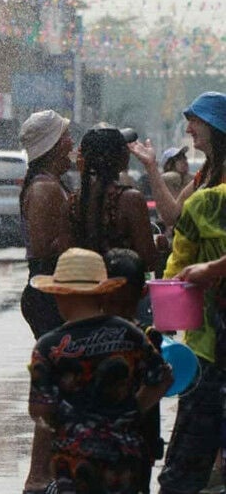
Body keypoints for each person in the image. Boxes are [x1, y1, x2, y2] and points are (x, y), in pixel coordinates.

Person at [28, 247, 172, 494]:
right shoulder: (132, 334)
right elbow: (163, 377)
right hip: (125, 458)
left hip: (73, 461)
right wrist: (132, 410)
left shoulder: (48, 346)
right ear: (102, 294)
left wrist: (65, 423)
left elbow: (39, 409)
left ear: (58, 295)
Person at [17, 110, 75, 494]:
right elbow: (42, 247)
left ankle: (48, 472)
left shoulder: (52, 183)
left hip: (53, 292)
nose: (72, 144)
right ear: (53, 145)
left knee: (61, 383)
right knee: (55, 386)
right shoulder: (44, 189)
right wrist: (71, 238)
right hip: (47, 293)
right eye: (67, 138)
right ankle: (38, 476)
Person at [157, 182, 226, 494]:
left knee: (185, 468)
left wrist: (209, 269)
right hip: (210, 347)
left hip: (209, 351)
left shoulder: (204, 203)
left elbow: (178, 266)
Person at [103, 248, 162, 494]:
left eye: (126, 305)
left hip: (139, 441)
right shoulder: (92, 338)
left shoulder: (148, 338)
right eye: (111, 303)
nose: (118, 311)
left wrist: (153, 443)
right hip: (100, 441)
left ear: (143, 294)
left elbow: (157, 388)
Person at [130, 91, 226, 228]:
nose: (188, 129)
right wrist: (151, 166)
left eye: (194, 121)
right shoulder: (205, 173)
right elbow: (173, 217)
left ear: (214, 125)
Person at [71, 122, 158, 273]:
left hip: (82, 284)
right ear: (123, 157)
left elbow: (66, 253)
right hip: (123, 286)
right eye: (125, 148)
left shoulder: (72, 201)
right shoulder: (131, 199)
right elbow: (148, 260)